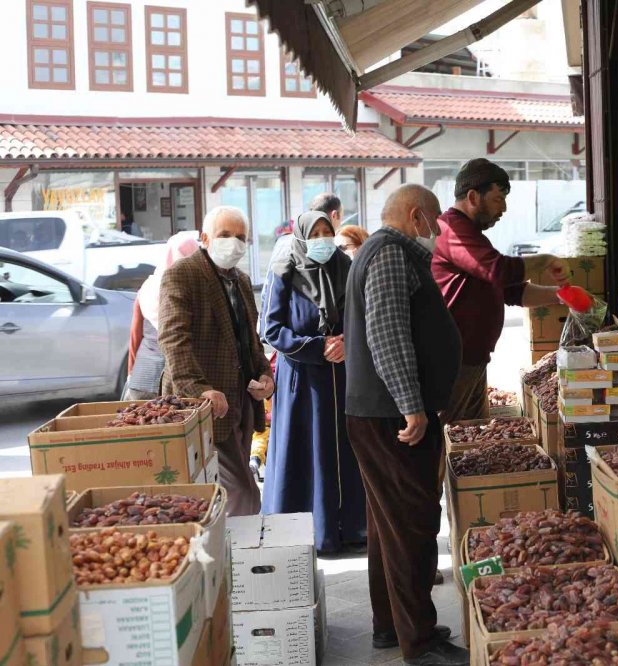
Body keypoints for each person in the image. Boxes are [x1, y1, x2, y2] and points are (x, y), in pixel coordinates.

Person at [344, 184, 468, 665]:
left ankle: (390, 627)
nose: (437, 231)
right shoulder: (391, 253)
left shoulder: (383, 252)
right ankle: (420, 641)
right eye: (435, 221)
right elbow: (388, 333)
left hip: (379, 412)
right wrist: (412, 405)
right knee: (413, 526)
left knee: (388, 527)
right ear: (417, 217)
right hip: (391, 415)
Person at [433, 158, 571, 424]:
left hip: (472, 359)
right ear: (473, 197)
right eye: (498, 199)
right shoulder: (452, 230)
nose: (504, 208)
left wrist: (563, 295)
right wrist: (545, 260)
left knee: (474, 436)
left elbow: (513, 292)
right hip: (454, 361)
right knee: (452, 436)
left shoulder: (473, 237)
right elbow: (498, 271)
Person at [260, 210, 366, 555]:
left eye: (326, 232)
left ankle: (351, 527)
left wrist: (347, 343)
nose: (322, 239)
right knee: (308, 451)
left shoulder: (345, 267)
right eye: (315, 233)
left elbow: (362, 315)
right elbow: (271, 329)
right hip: (303, 380)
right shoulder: (284, 270)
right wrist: (317, 347)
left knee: (344, 450)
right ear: (302, 237)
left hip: (343, 376)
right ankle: (314, 532)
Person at [159, 206, 274, 517]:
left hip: (240, 405)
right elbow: (173, 339)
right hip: (201, 407)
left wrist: (265, 374)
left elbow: (250, 341)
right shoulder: (182, 274)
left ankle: (224, 544)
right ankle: (237, 546)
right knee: (244, 494)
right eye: (225, 235)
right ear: (205, 238)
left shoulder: (242, 281)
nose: (233, 243)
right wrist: (199, 389)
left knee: (222, 495)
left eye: (241, 237)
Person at [125, 231, 200, 401]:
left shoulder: (148, 287)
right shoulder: (195, 291)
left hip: (143, 378)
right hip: (177, 383)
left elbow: (135, 336)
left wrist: (131, 373)